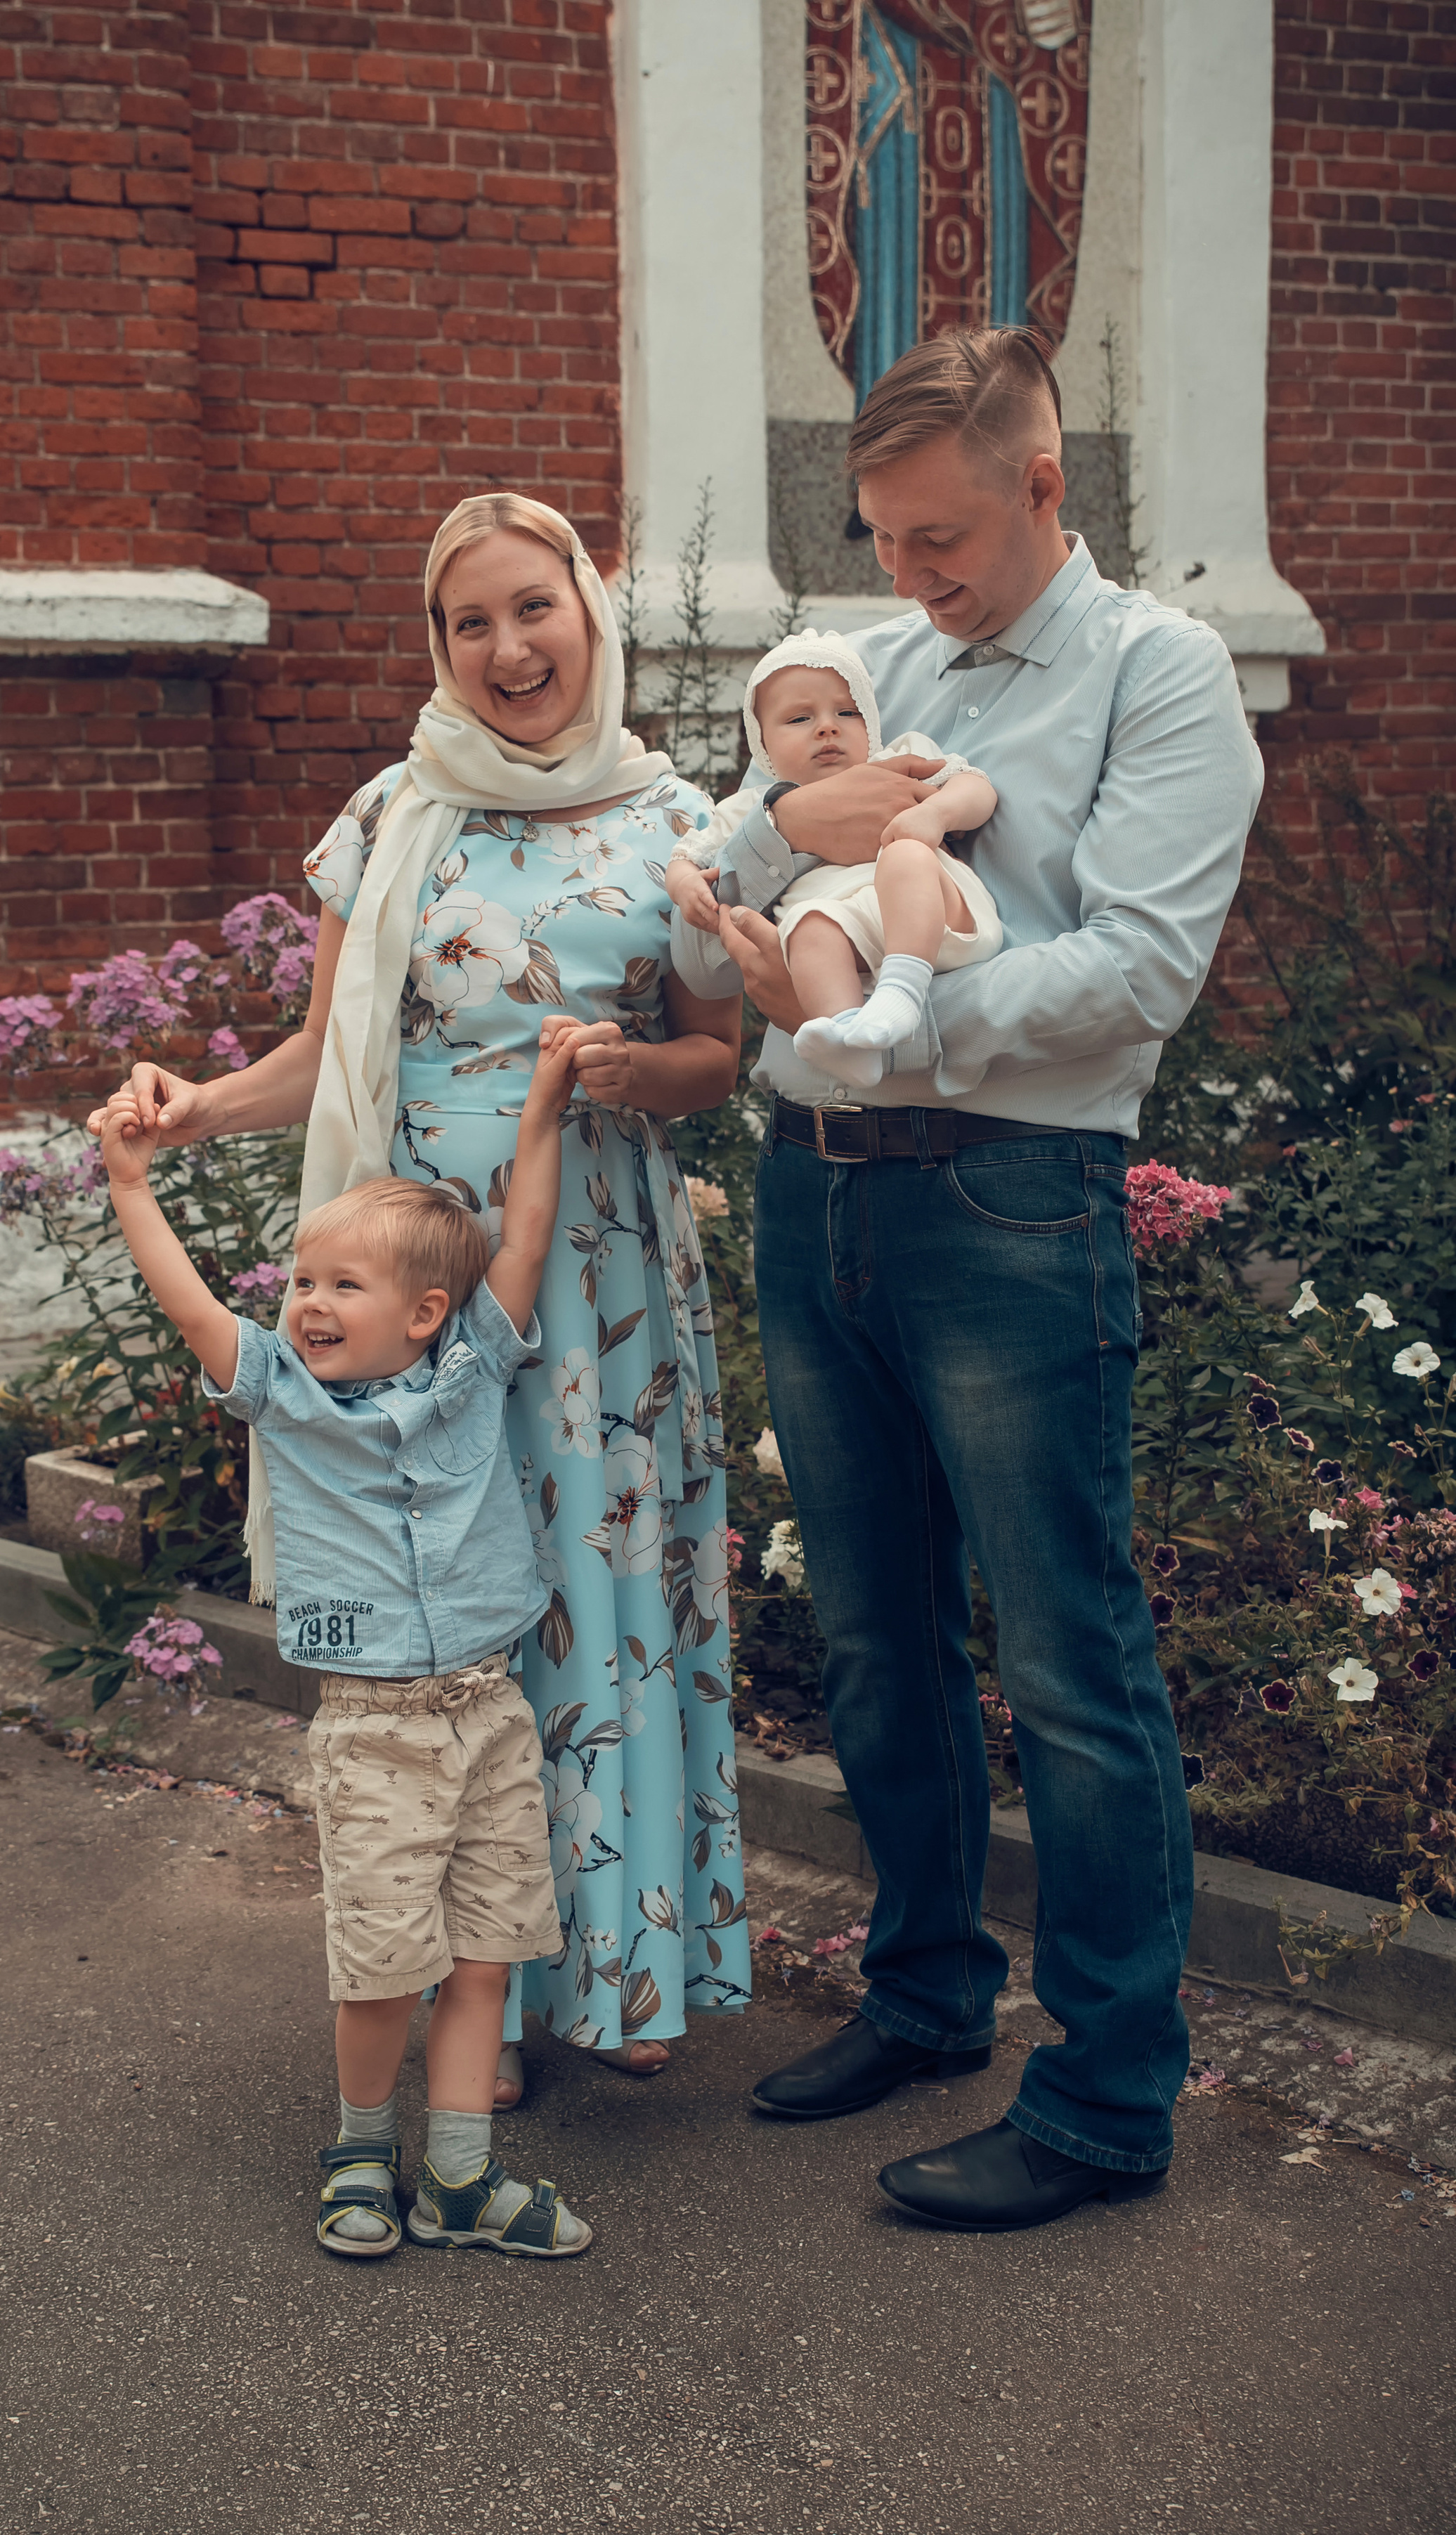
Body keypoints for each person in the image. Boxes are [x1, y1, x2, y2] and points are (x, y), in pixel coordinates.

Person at [673, 326, 1266, 2232]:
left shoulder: (1160, 674)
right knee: (872, 1633)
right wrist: (783, 853)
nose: (909, 572)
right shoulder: (876, 669)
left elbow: (1133, 973)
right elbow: (718, 871)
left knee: (1067, 1662)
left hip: (1013, 1201)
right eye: (881, 536)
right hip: (814, 1195)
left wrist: (877, 1023)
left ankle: (1102, 2098)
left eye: (940, 534)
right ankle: (925, 1993)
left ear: (1042, 484)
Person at [91, 492, 750, 2111]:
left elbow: (716, 1060)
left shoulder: (676, 821)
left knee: (598, 1594)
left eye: (535, 608)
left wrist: (631, 1070)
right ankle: (481, 2004)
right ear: (437, 644)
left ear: (589, 612)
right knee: (446, 1619)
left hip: (596, 1276)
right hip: (414, 1293)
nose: (508, 648)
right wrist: (191, 1110)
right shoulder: (391, 813)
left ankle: (624, 1968)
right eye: (471, 622)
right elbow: (324, 1054)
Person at [97, 1027, 595, 2259]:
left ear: (426, 1313)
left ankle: (463, 2176)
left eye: (341, 1285)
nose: (309, 1303)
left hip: (490, 1713)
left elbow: (525, 1235)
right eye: (302, 1281)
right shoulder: (282, 1391)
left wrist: (544, 1101)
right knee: (380, 1963)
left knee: (484, 1956)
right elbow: (192, 1303)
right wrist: (129, 1184)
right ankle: (360, 2151)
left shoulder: (473, 1369)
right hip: (374, 1727)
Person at [664, 630, 1001, 1090]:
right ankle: (848, 1039)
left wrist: (936, 814)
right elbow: (686, 857)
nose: (828, 727)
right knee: (808, 924)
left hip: (935, 915)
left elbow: (975, 786)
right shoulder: (754, 807)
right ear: (763, 745)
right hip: (849, 941)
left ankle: (902, 991)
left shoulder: (898, 758)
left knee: (904, 853)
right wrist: (686, 886)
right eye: (800, 718)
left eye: (847, 712)